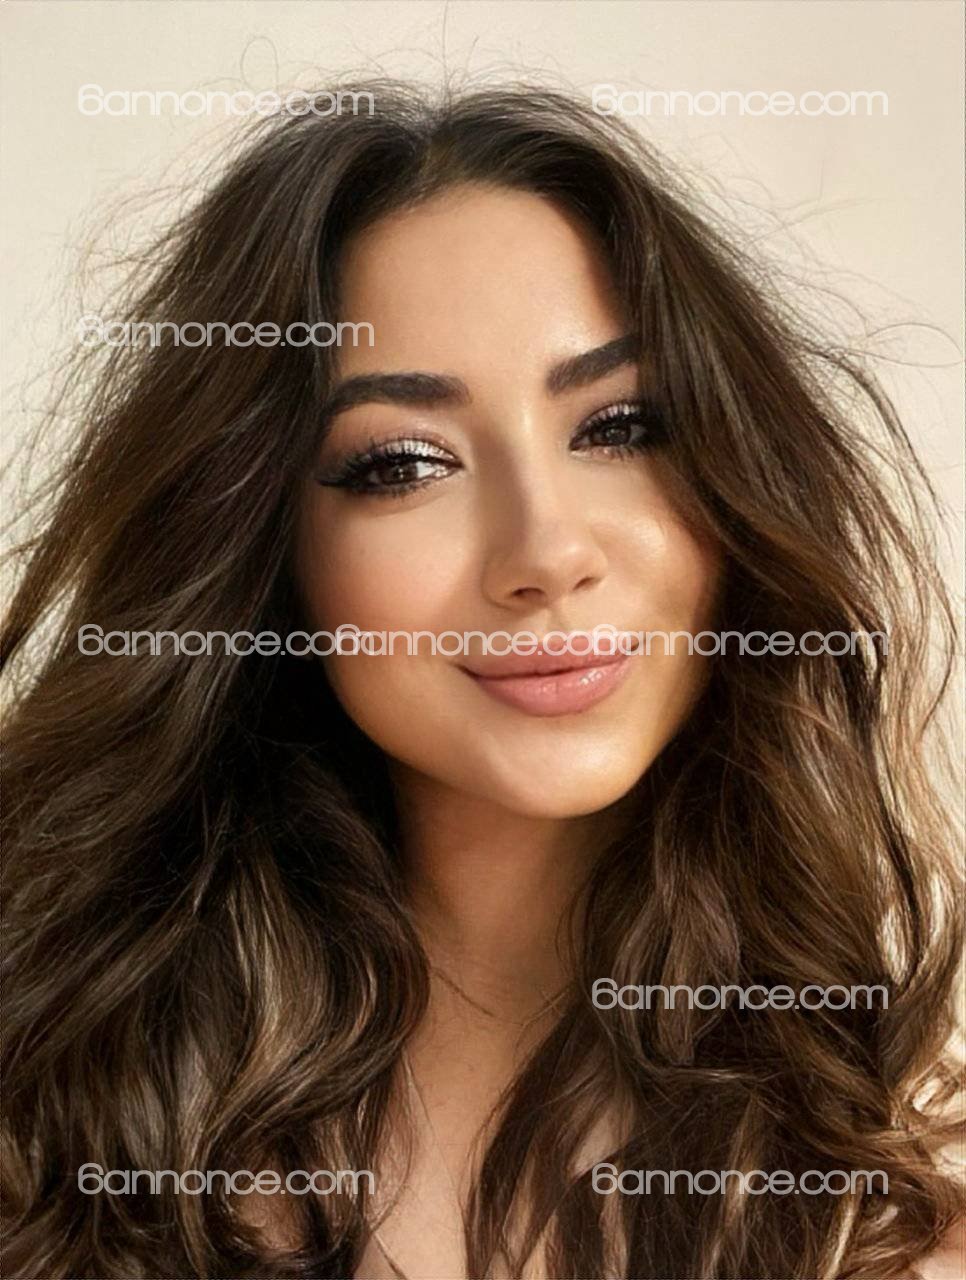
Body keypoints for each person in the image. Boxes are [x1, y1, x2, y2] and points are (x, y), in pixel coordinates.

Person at [2, 80, 962, 1280]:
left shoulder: (899, 1223)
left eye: (620, 426)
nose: (547, 551)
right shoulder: (53, 1152)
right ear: (264, 550)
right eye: (405, 461)